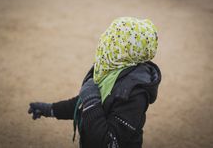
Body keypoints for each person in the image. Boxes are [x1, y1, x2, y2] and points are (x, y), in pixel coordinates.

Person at [28, 17, 161, 148]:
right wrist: (50, 109)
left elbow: (109, 143)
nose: (105, 42)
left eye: (113, 42)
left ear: (128, 51)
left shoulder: (135, 93)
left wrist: (92, 102)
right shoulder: (110, 69)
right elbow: (83, 103)